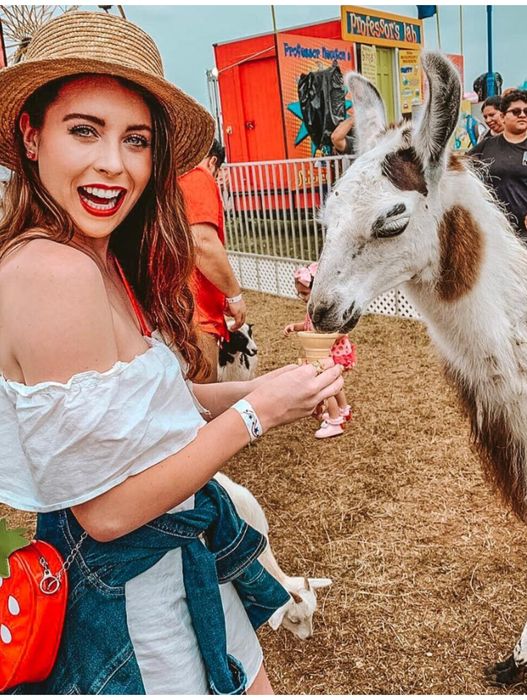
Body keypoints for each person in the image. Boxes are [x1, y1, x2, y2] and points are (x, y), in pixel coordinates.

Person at [0, 12, 343, 694]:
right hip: (130, 598)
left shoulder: (95, 257)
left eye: (136, 140)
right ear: (32, 137)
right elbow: (106, 512)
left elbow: (163, 405)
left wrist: (276, 388)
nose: (113, 164)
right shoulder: (50, 273)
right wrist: (258, 418)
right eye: (84, 130)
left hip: (179, 561)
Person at [468, 90, 527, 270]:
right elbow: (462, 169)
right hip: (498, 229)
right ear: (504, 116)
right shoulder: (486, 146)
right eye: (516, 111)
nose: (522, 115)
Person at [178, 138, 244, 382]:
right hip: (196, 313)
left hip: (179, 309)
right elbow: (202, 243)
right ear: (213, 161)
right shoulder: (197, 174)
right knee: (202, 400)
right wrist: (234, 294)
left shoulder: (172, 180)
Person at [283, 262, 356, 439]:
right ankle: (343, 409)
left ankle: (334, 420)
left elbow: (343, 330)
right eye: (299, 293)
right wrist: (295, 326)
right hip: (327, 352)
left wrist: (324, 337)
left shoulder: (327, 309)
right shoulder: (313, 308)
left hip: (330, 353)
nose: (301, 297)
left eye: (305, 293)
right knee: (335, 382)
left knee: (325, 385)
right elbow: (307, 325)